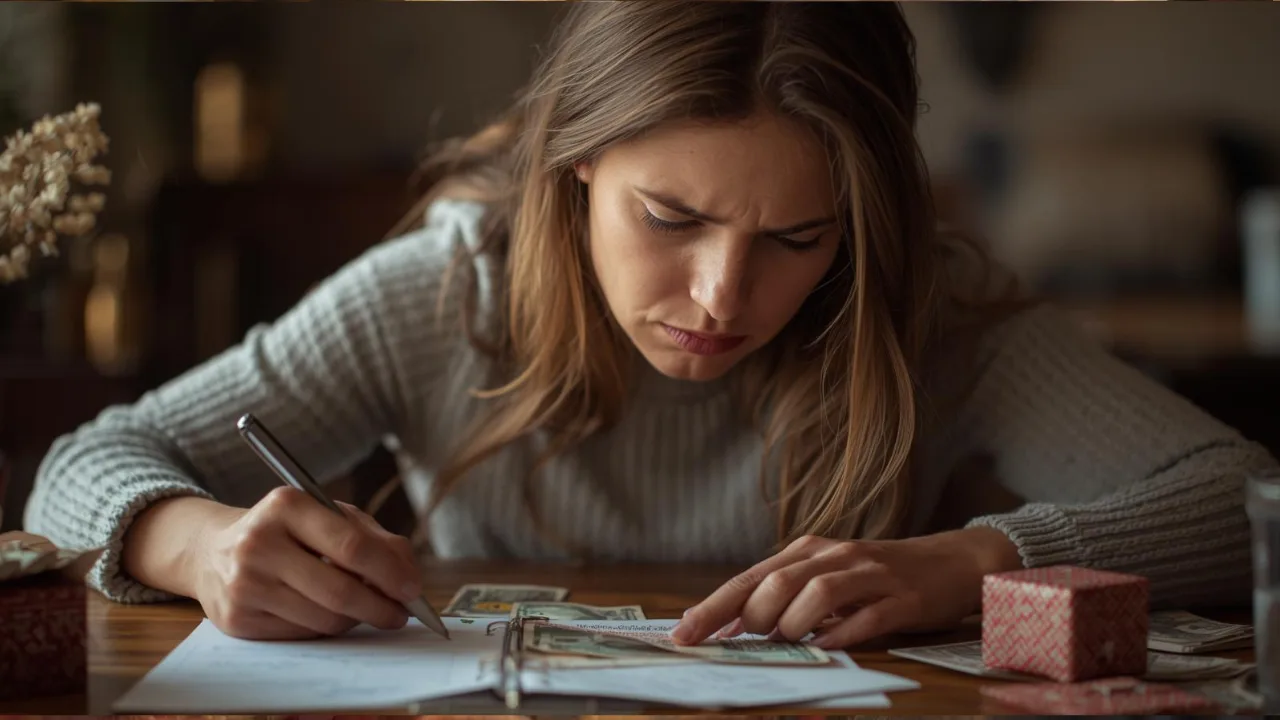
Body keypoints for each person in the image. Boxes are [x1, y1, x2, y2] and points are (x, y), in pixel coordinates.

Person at [25, 2, 1275, 649]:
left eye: (797, 238)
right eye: (669, 216)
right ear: (570, 166)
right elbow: (76, 468)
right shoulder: (448, 290)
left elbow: (1245, 492)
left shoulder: (924, 311)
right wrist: (194, 546)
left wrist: (978, 558)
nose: (722, 298)